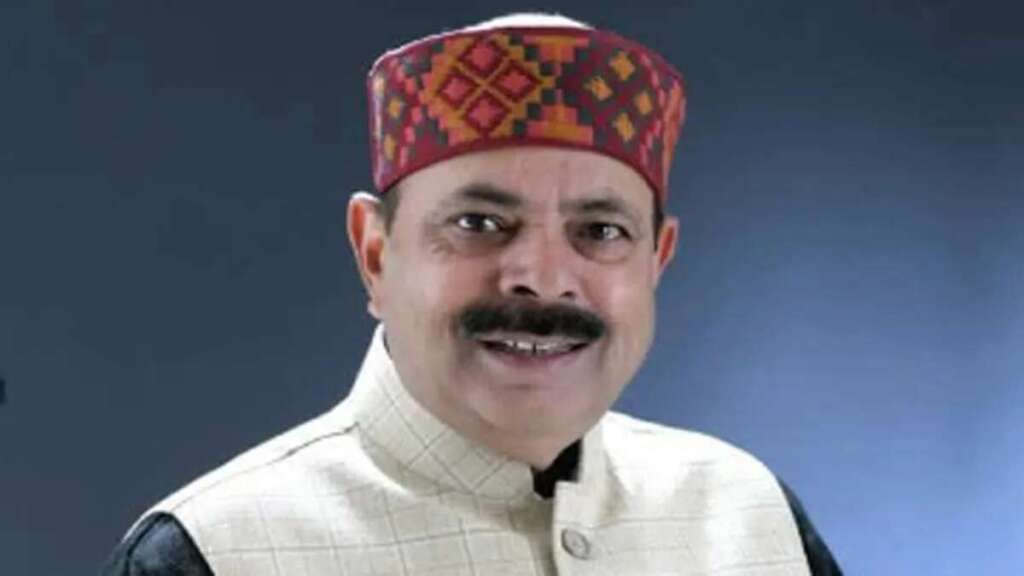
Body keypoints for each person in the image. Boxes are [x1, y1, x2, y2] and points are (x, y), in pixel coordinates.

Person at [103, 12, 841, 575]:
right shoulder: (216, 554)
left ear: (657, 260)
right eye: (479, 223)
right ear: (375, 253)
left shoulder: (750, 519)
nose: (543, 277)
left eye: (601, 231)